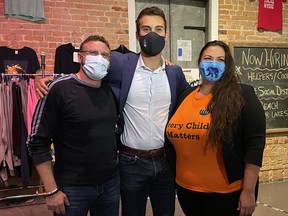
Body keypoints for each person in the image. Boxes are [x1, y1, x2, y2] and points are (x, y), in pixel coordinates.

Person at [35, 6, 189, 216]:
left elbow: (188, 103)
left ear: (166, 34)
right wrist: (46, 78)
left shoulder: (175, 73)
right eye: (146, 29)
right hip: (130, 162)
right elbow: (88, 71)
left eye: (158, 29)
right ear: (137, 35)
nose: (153, 34)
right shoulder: (120, 63)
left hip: (164, 162)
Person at [165, 40, 266, 216]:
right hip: (186, 190)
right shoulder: (185, 95)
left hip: (226, 195)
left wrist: (249, 192)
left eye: (220, 60)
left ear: (227, 66)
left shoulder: (243, 95)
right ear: (199, 62)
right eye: (208, 58)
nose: (213, 63)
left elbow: (254, 146)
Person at [27, 35, 120, 216]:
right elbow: (37, 141)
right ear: (80, 57)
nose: (99, 58)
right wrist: (51, 190)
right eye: (93, 52)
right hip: (72, 188)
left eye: (105, 55)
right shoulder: (58, 89)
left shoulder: (110, 90)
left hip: (110, 184)